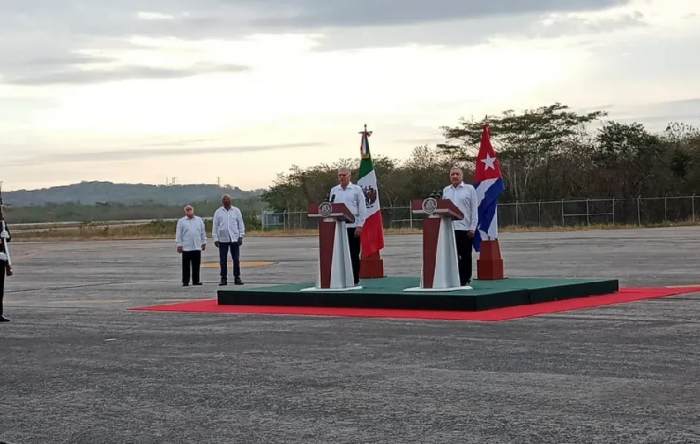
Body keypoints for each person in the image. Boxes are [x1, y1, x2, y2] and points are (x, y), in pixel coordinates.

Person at [329, 167, 367, 286]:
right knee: (339, 254)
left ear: (349, 176)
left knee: (353, 254)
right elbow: (331, 208)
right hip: (339, 227)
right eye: (340, 175)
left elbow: (362, 209)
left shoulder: (356, 190)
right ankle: (339, 278)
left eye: (344, 175)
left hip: (353, 227)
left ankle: (354, 279)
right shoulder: (334, 191)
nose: (342, 177)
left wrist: (360, 225)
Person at [442, 166, 479, 286]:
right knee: (452, 256)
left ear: (462, 176)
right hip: (449, 228)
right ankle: (453, 278)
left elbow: (474, 209)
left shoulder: (469, 189)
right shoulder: (446, 190)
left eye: (457, 174)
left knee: (465, 255)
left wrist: (472, 227)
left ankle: (465, 279)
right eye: (452, 174)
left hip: (464, 228)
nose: (455, 176)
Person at [212, 194, 245, 286]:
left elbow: (240, 224)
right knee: (223, 260)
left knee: (236, 259)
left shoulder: (236, 211)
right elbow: (215, 226)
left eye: (228, 199)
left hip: (234, 238)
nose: (226, 201)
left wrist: (241, 236)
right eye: (224, 199)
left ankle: (237, 277)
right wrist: (215, 238)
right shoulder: (218, 212)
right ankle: (223, 278)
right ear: (222, 201)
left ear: (231, 200)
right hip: (222, 239)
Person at [175, 205, 207, 286]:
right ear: (185, 212)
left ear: (193, 210)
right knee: (186, 266)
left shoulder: (199, 220)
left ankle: (196, 281)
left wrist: (204, 242)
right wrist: (179, 244)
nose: (189, 210)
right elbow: (178, 234)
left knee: (196, 265)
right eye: (187, 209)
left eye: (190, 209)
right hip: (186, 247)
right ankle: (185, 281)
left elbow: (202, 232)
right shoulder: (181, 221)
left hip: (196, 246)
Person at [0, 222, 11, 322]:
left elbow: (8, 238)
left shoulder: (1, 222)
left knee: (0, 289)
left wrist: (6, 235)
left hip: (1, 260)